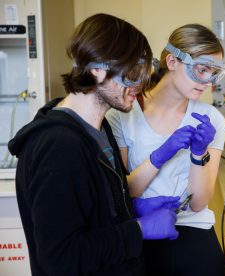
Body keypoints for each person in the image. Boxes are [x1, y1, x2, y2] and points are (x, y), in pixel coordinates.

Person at [8, 13, 181, 276]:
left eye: (143, 72)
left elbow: (95, 213)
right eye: (132, 72)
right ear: (97, 69)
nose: (140, 85)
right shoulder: (58, 146)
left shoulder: (100, 128)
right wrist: (139, 229)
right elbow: (61, 258)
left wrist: (130, 210)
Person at [106, 23, 225, 276]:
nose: (207, 81)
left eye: (214, 73)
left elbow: (199, 203)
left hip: (195, 233)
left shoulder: (210, 118)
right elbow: (125, 192)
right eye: (201, 70)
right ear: (172, 61)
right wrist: (162, 154)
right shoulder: (124, 114)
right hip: (143, 230)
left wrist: (198, 154)